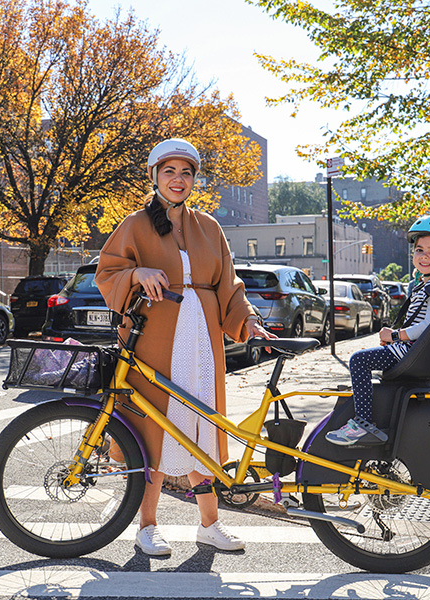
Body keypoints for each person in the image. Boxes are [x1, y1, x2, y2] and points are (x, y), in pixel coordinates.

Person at [95, 138, 276, 556]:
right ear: (155, 176)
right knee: (155, 426)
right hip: (154, 337)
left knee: (202, 427)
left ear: (195, 178)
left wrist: (247, 319)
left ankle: (209, 524)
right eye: (170, 171)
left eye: (187, 172)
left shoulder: (209, 226)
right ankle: (148, 525)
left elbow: (229, 285)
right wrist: (137, 272)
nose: (179, 180)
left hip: (201, 342)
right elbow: (108, 272)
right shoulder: (135, 224)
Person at [326, 215, 430, 446]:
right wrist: (394, 339)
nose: (424, 256)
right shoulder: (429, 284)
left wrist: (396, 336)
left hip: (415, 353)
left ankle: (363, 423)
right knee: (366, 359)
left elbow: (429, 328)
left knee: (359, 361)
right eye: (420, 250)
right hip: (413, 350)